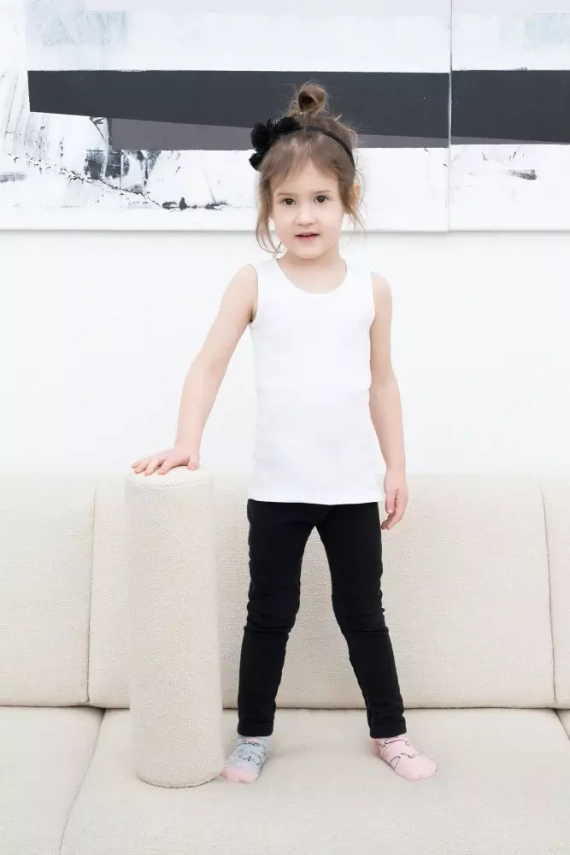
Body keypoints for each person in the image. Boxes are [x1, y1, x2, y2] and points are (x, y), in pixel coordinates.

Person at [131, 81, 437, 784]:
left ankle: (389, 732)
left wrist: (395, 466)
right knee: (269, 614)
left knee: (363, 614)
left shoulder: (371, 289)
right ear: (268, 206)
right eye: (288, 200)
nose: (305, 215)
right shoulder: (253, 282)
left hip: (351, 487)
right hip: (277, 489)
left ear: (347, 201)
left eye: (320, 199)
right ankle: (253, 735)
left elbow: (382, 383)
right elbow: (208, 364)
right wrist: (187, 440)